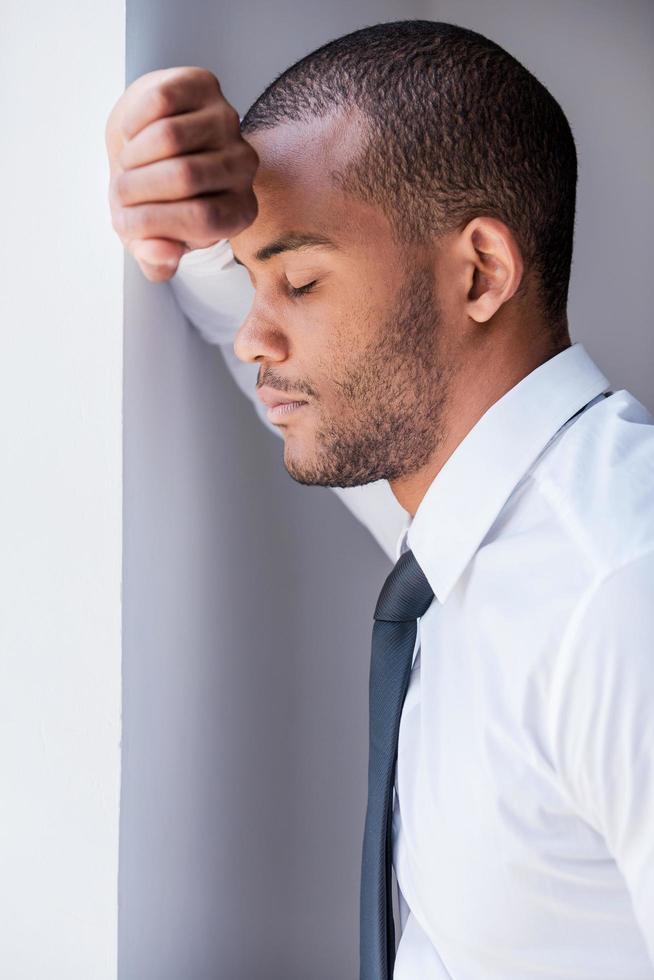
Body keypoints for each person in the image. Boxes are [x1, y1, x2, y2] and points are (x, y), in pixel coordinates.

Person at [105, 19, 654, 979]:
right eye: (254, 282)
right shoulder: (465, 517)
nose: (254, 339)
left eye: (302, 282)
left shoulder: (619, 589)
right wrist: (174, 192)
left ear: (480, 272)